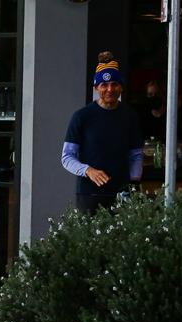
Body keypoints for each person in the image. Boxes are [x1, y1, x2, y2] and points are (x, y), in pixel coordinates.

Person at [61, 51, 144, 213]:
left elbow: (136, 155)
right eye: (104, 85)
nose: (109, 89)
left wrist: (133, 183)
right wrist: (88, 171)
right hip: (89, 193)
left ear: (121, 87)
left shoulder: (130, 116)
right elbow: (66, 157)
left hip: (122, 194)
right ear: (96, 88)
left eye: (114, 84)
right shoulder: (82, 116)